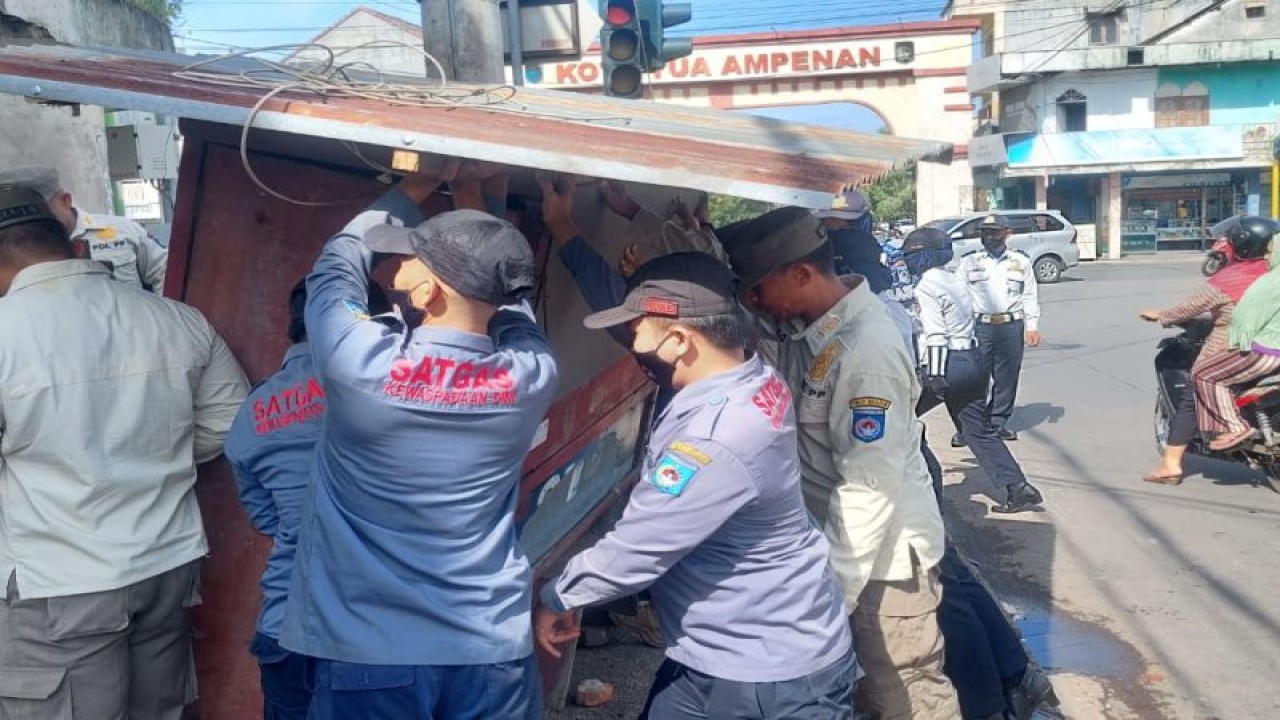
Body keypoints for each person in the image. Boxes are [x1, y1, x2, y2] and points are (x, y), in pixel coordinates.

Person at [277, 171, 558, 719]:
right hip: (489, 650)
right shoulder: (533, 375)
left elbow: (337, 263)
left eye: (409, 261)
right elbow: (509, 304)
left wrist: (418, 183)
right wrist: (481, 211)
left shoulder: (360, 363)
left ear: (428, 292)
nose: (398, 270)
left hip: (371, 652)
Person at [536, 252, 856, 719]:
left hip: (765, 673)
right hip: (742, 638)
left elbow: (640, 548)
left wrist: (560, 595)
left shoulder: (714, 439)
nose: (631, 341)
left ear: (680, 339)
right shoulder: (753, 377)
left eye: (636, 330)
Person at [0, 184, 248, 718]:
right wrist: (154, 456)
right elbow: (231, 421)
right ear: (67, 240)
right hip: (167, 566)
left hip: (58, 581)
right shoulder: (178, 319)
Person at [720, 207, 957, 719]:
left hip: (881, 569)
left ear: (802, 274)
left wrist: (831, 592)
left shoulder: (865, 351)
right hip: (845, 555)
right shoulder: (817, 332)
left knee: (904, 698)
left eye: (759, 290)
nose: (755, 303)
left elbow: (868, 487)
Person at [224, 279, 388, 718]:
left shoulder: (253, 412)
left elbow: (266, 518)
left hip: (286, 626)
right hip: (378, 630)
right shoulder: (392, 389)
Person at [904, 227, 1044, 514]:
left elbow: (936, 333)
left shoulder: (925, 286)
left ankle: (921, 491)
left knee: (900, 418)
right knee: (977, 431)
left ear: (918, 256)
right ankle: (1018, 488)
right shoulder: (954, 278)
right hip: (973, 360)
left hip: (948, 363)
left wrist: (935, 375)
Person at [1139, 215, 1275, 482]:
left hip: (1237, 349)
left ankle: (1172, 464)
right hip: (1272, 347)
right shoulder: (1272, 273)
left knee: (1195, 390)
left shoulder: (1229, 278)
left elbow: (1187, 309)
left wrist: (1161, 315)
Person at [0, 166, 169, 292]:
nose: (36, 224)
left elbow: (164, 271)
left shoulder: (121, 230)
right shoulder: (12, 250)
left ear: (65, 201)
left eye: (44, 211)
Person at [1192, 217, 1280, 451]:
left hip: (1269, 350)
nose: (1267, 257)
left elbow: (1244, 323)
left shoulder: (1268, 283)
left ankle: (1234, 426)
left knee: (1203, 374)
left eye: (1270, 253)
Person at [957, 215, 1043, 443]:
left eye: (995, 232)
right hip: (979, 326)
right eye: (985, 232)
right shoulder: (969, 262)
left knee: (1007, 378)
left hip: (1011, 326)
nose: (989, 237)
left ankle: (997, 422)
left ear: (1007, 233)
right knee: (974, 378)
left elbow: (1029, 294)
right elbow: (959, 297)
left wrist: (1032, 326)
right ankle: (971, 427)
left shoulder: (1020, 261)